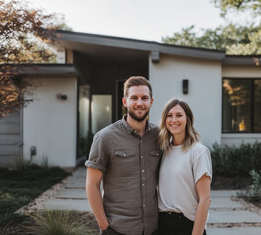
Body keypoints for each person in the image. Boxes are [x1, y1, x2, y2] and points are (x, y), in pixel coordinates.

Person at [85, 76, 162, 235]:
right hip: (117, 229)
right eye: (134, 98)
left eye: (144, 98)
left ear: (151, 102)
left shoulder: (160, 136)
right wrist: (104, 225)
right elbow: (92, 185)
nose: (139, 103)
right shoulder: (105, 137)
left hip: (153, 229)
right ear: (125, 101)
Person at [158, 98, 212, 235]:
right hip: (162, 223)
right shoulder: (163, 151)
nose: (174, 120)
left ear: (188, 119)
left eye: (179, 115)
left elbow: (205, 199)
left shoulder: (198, 151)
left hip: (186, 225)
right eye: (169, 116)